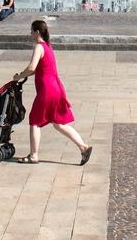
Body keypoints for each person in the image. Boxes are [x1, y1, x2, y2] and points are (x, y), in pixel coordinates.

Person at [12, 18, 94, 165]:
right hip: (55, 90)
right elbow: (51, 73)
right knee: (59, 124)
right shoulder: (49, 48)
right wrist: (64, 95)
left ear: (37, 32)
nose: (30, 33)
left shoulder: (39, 47)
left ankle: (34, 155)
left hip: (46, 91)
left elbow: (32, 68)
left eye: (31, 31)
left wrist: (18, 76)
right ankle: (83, 147)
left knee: (34, 121)